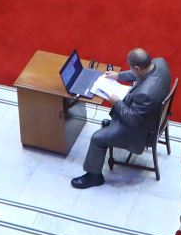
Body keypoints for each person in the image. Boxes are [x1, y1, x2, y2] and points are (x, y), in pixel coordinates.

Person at [71, 49, 172, 189]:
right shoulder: (160, 62)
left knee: (96, 138)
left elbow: (132, 119)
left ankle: (94, 176)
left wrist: (117, 102)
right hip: (151, 115)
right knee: (108, 125)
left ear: (137, 67)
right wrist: (118, 75)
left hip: (140, 130)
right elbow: (138, 74)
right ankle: (111, 127)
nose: (131, 70)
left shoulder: (146, 93)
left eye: (132, 68)